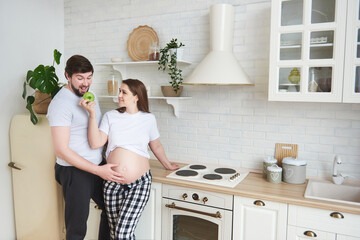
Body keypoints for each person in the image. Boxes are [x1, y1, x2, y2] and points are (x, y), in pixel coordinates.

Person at [79, 78, 179, 240]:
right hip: (112, 183)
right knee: (114, 233)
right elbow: (95, 142)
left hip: (139, 183)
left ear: (136, 96)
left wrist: (167, 165)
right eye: (119, 91)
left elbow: (157, 146)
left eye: (124, 92)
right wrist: (92, 115)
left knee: (122, 233)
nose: (119, 95)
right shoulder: (111, 116)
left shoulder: (148, 119)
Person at [47, 55, 122, 240]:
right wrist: (98, 170)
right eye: (80, 78)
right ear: (68, 76)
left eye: (89, 77)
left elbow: (95, 131)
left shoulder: (90, 94)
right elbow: (61, 150)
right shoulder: (60, 105)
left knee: (111, 209)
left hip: (96, 165)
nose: (85, 83)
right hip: (74, 171)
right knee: (77, 227)